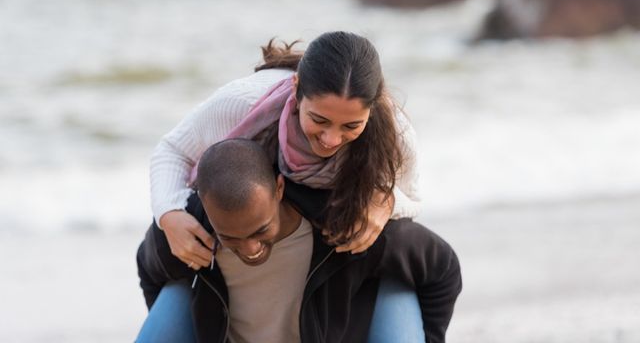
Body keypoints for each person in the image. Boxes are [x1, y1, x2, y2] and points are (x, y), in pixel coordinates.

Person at [140, 31, 428, 338]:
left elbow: (412, 197)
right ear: (296, 89)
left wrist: (385, 202)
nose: (331, 139)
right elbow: (172, 151)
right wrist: (169, 214)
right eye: (319, 119)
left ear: (371, 110)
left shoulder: (394, 136)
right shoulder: (242, 104)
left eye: (351, 126)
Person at [137, 139, 462, 342]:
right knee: (178, 286)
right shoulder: (189, 232)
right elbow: (149, 268)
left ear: (279, 189)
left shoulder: (342, 224)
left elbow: (442, 268)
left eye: (260, 230)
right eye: (231, 237)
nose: (249, 248)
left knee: (398, 285)